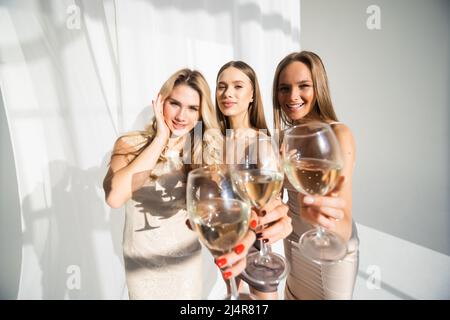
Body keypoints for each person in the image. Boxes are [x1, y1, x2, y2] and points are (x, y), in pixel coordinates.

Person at [102, 68, 255, 299]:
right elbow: (115, 197)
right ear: (160, 101)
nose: (182, 116)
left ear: (201, 113)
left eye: (192, 108)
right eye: (175, 103)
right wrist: (161, 138)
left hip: (185, 267)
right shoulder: (130, 145)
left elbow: (220, 214)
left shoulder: (205, 153)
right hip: (141, 266)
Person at [273, 51, 359, 299]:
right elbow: (276, 199)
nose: (292, 96)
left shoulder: (338, 135)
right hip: (295, 247)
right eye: (284, 88)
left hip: (330, 254)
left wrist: (324, 222)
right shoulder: (286, 138)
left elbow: (342, 227)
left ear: (318, 87)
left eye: (303, 86)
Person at [213, 60, 293, 299]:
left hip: (254, 243)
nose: (228, 93)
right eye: (221, 86)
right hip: (222, 240)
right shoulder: (215, 142)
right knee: (232, 298)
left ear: (252, 95)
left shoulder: (260, 144)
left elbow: (270, 205)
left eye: (238, 86)